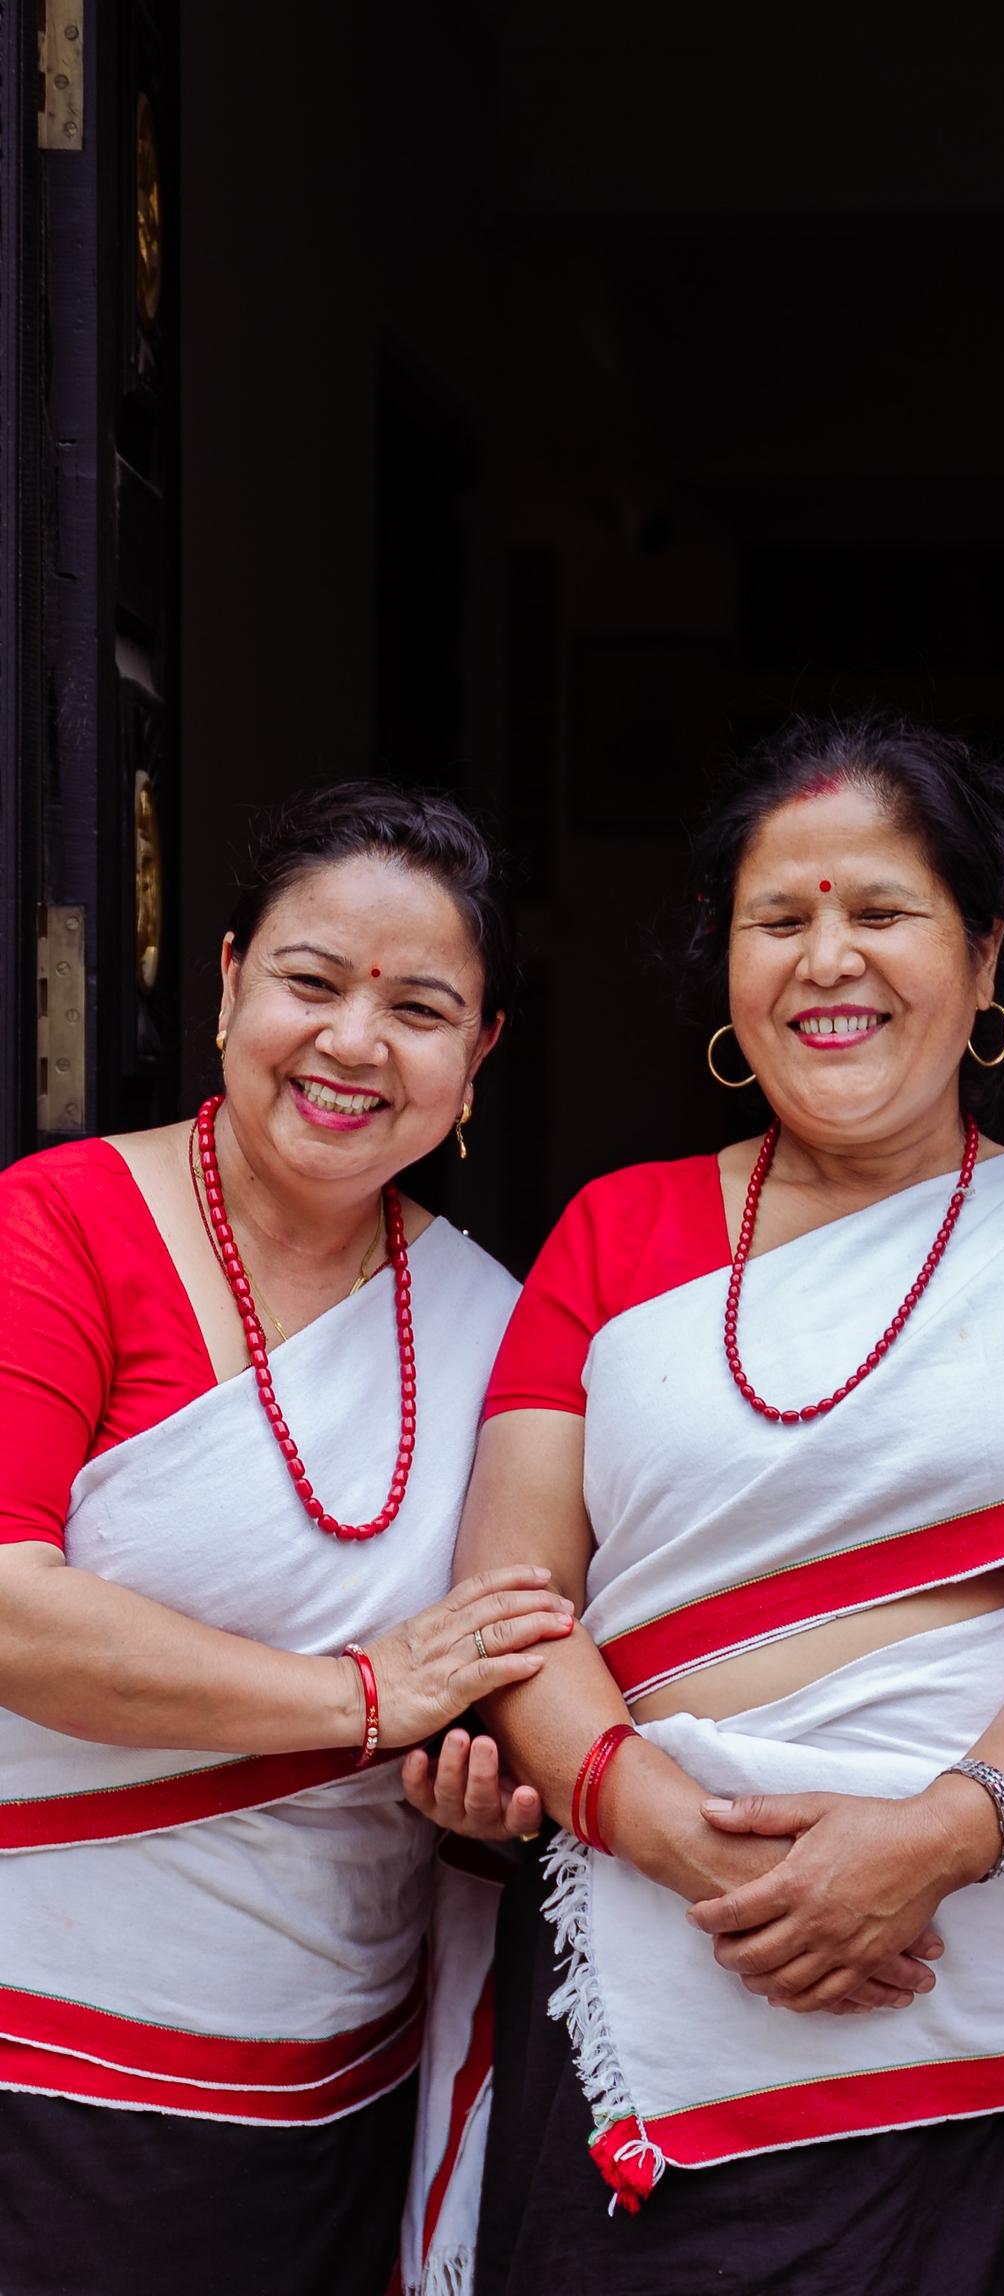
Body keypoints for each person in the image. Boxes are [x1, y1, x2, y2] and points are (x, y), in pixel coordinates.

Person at [426, 718, 1004, 2296]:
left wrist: (942, 1836)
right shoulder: (613, 1234)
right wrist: (680, 1840)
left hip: (986, 1998)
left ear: (985, 956)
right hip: (651, 1981)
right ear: (727, 972)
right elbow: (512, 1600)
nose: (826, 961)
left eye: (881, 912)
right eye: (778, 920)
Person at [0, 785, 575, 2296]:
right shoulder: (58, 1225)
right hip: (46, 2057)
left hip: (345, 2083)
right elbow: (8, 1612)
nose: (353, 1043)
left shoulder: (501, 1327)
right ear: (229, 982)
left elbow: (524, 1655)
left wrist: (493, 1784)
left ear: (482, 1055)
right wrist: (363, 1698)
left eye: (421, 1007)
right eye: (312, 983)